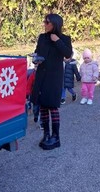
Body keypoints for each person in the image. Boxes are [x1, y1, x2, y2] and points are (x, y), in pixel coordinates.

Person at [31, 13, 73, 150]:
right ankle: (46, 134)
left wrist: (57, 41)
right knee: (43, 105)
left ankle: (56, 136)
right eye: (44, 21)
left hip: (54, 77)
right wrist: (35, 58)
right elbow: (37, 51)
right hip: (41, 75)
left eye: (47, 22)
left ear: (54, 24)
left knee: (53, 106)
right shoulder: (42, 37)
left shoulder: (64, 38)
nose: (44, 24)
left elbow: (68, 54)